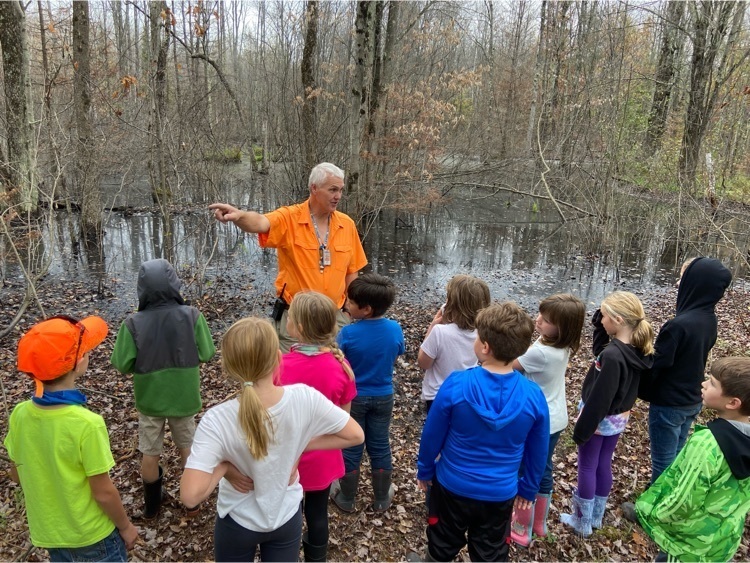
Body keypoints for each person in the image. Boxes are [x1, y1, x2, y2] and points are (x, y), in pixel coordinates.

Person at [180, 317, 363, 563]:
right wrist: (300, 443)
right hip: (286, 518)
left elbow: (190, 496)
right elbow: (355, 435)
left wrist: (223, 466)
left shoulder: (217, 419)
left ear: (228, 367)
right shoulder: (304, 398)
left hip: (237, 521)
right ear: (278, 358)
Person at [411, 302, 550, 563]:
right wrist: (528, 489)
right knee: (490, 550)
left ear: (485, 347)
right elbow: (538, 450)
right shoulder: (534, 397)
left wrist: (425, 469)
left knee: (442, 540)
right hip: (500, 492)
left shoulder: (456, 384)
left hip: (452, 485)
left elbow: (432, 434)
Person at [5, 315, 139, 561]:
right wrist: (126, 527)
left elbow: (16, 473)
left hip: (51, 535)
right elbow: (104, 493)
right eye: (86, 351)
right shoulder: (87, 424)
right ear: (78, 364)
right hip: (94, 537)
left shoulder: (20, 414)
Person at [209, 162, 368, 351]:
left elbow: (352, 272)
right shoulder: (289, 218)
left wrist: (349, 311)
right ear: (314, 188)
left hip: (334, 321)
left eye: (340, 190)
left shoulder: (347, 225)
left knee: (329, 374)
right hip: (295, 323)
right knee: (291, 376)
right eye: (333, 190)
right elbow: (261, 222)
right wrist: (239, 216)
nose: (338, 196)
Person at [111, 258, 216, 520]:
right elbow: (208, 352)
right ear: (174, 284)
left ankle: (152, 508)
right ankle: (192, 505)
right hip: (184, 396)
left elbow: (122, 363)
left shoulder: (133, 323)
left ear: (141, 289)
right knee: (187, 448)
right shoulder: (192, 316)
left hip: (150, 399)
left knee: (150, 451)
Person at [633, 357, 750, 562]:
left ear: (733, 403)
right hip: (721, 545)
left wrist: (650, 512)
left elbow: (682, 502)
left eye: (712, 383)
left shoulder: (707, 443)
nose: (703, 384)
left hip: (685, 547)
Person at [560, 291, 654, 537]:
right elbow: (599, 347)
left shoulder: (612, 356)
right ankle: (597, 516)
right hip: (618, 418)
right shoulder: (637, 349)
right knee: (603, 463)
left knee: (587, 466)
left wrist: (582, 430)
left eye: (604, 317)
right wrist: (599, 319)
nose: (601, 320)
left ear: (619, 320)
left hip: (599, 419)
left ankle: (581, 521)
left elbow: (599, 398)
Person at [277, 291, 358, 562]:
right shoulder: (341, 366)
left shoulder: (280, 365)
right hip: (323, 456)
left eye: (290, 317)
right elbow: (342, 422)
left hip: (288, 457)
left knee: (287, 512)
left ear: (298, 327)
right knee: (317, 512)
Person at [638, 256, 732, 484]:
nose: (680, 284)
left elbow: (656, 364)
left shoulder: (678, 325)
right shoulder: (709, 319)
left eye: (684, 279)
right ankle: (673, 497)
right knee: (677, 455)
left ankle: (656, 508)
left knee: (663, 460)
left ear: (696, 285)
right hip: (692, 398)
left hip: (669, 403)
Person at [509, 293, 585, 547]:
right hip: (555, 416)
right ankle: (539, 524)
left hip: (538, 421)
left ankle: (521, 527)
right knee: (543, 469)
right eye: (540, 314)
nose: (538, 320)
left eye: (546, 319)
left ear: (562, 328)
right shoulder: (561, 346)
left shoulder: (541, 353)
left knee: (525, 471)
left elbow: (510, 366)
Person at [332, 273, 405, 514]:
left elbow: (339, 363)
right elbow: (396, 354)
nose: (346, 305)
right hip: (384, 395)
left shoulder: (348, 334)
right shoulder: (395, 329)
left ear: (366, 309)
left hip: (355, 398)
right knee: (380, 444)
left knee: (351, 446)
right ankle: (382, 497)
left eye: (351, 302)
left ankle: (347, 497)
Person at [418, 274, 491, 414]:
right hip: (467, 394)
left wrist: (432, 326)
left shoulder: (439, 332)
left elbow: (423, 363)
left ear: (452, 305)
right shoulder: (483, 333)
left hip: (438, 395)